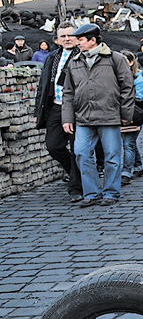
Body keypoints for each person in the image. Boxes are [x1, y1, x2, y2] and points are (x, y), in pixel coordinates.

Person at [61, 23, 135, 207]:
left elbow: (127, 87)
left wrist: (125, 114)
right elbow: (68, 92)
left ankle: (111, 192)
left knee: (111, 156)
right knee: (81, 153)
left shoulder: (115, 59)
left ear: (93, 40)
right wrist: (67, 118)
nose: (77, 43)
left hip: (109, 115)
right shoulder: (74, 62)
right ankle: (92, 192)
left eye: (81, 39)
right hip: (83, 117)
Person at [34, 22, 83, 202]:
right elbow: (43, 84)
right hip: (56, 106)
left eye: (70, 35)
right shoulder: (52, 57)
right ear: (57, 39)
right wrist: (37, 110)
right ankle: (74, 171)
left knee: (78, 148)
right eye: (63, 36)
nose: (67, 39)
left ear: (77, 36)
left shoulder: (83, 55)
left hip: (78, 108)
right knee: (53, 145)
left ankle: (76, 188)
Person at [120, 51, 143, 185]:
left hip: (134, 113)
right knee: (130, 142)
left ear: (131, 62)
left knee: (128, 143)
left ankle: (126, 172)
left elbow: (140, 99)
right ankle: (138, 166)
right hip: (120, 114)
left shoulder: (138, 79)